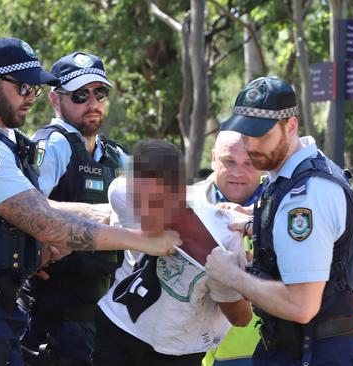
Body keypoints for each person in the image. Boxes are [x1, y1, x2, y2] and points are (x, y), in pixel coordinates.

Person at [0, 38, 180, 366]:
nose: (30, 97)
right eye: (23, 87)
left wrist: (112, 213)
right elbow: (46, 222)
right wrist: (144, 240)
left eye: (34, 89)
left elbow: (41, 206)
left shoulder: (9, 143)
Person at [205, 76, 353, 365]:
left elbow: (302, 304)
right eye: (244, 134)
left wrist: (232, 276)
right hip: (294, 347)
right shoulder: (288, 179)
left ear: (290, 126)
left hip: (314, 352)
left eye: (260, 134)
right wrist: (254, 224)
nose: (250, 145)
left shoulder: (306, 196)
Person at [93, 139, 252, 366]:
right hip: (118, 325)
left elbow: (241, 318)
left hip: (177, 351)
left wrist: (223, 279)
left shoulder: (222, 238)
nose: (144, 211)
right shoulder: (121, 193)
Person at [22, 51, 127, 366]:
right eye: (80, 95)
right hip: (53, 319)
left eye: (100, 93)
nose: (92, 102)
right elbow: (26, 209)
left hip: (102, 315)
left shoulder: (116, 155)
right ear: (56, 100)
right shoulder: (53, 145)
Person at [192, 130, 263, 366]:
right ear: (213, 158)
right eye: (228, 161)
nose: (238, 172)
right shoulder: (187, 206)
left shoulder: (286, 206)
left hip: (271, 353)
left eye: (249, 163)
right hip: (195, 354)